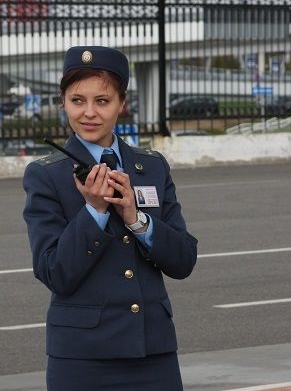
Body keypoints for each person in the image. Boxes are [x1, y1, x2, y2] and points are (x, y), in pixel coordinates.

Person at [22, 45, 198, 391]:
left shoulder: (151, 167)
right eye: (77, 100)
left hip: (153, 353)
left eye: (102, 101)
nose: (89, 113)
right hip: (82, 359)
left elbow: (183, 260)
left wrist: (136, 218)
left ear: (122, 103)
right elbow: (55, 273)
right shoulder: (47, 175)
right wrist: (94, 210)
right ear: (63, 103)